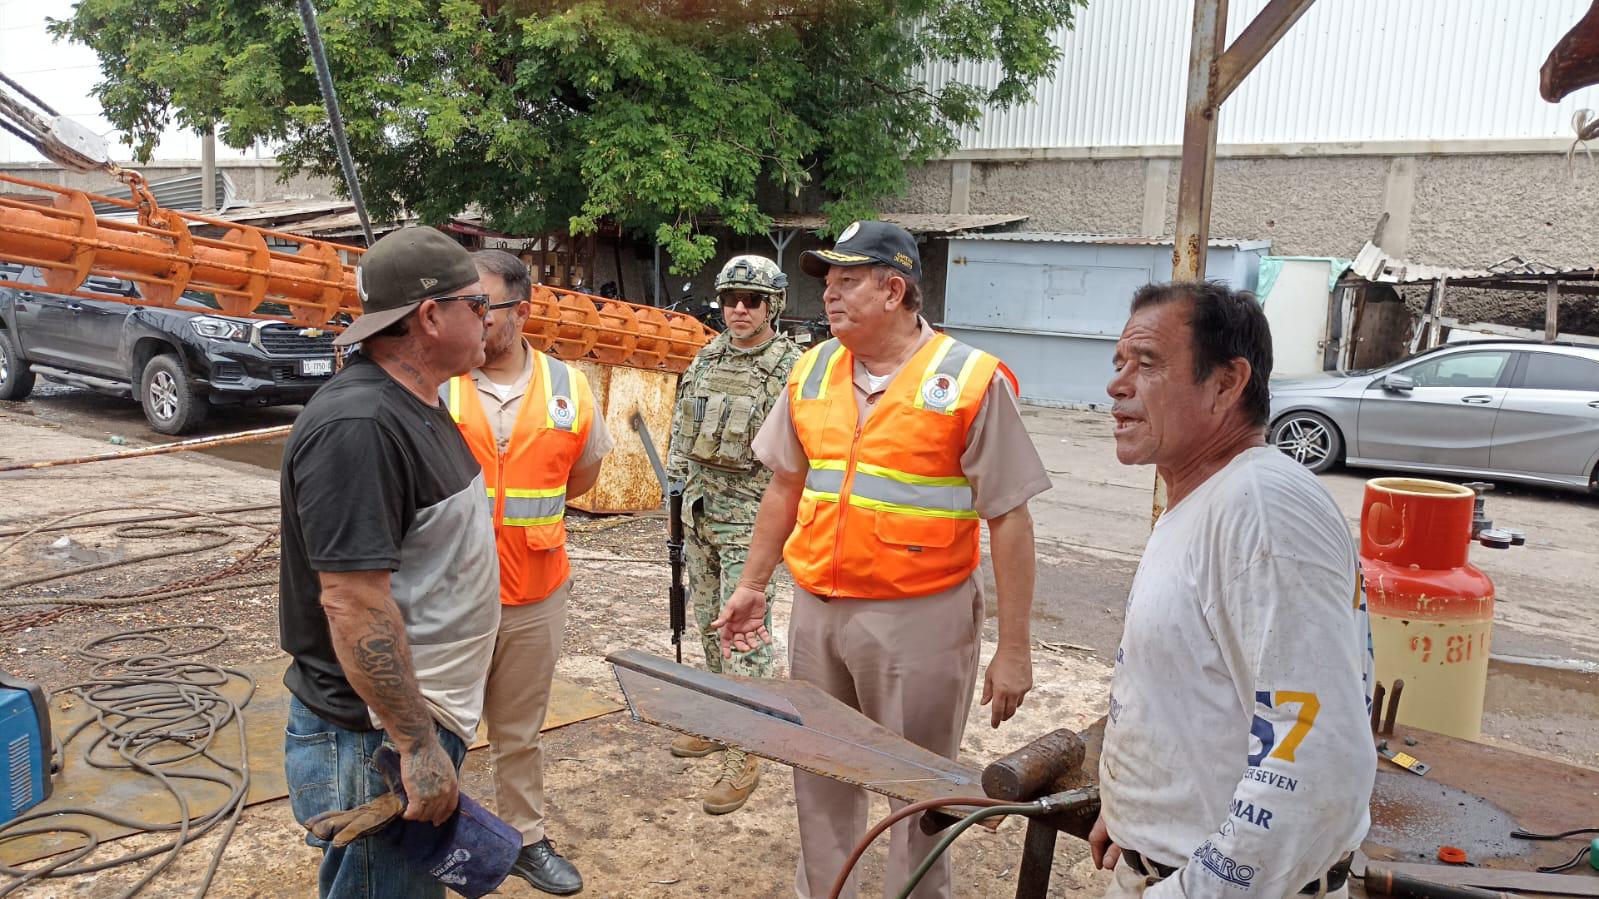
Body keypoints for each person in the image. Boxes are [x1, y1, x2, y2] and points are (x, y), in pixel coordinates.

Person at [713, 221, 1051, 899]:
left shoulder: (966, 379)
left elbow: (1009, 516)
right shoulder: (810, 373)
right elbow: (784, 484)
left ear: (894, 289)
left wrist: (1013, 647)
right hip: (817, 611)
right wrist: (754, 583)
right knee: (820, 774)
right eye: (827, 283)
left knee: (919, 789)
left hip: (919, 620)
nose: (829, 296)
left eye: (846, 281)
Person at [1088, 281, 1375, 898]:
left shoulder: (1262, 509)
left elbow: (1312, 756)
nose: (1117, 385)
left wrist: (1195, 889)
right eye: (1118, 364)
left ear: (1226, 382)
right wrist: (1137, 810)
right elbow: (1196, 689)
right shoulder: (1208, 500)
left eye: (1147, 363)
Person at [278, 226, 501, 899]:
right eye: (479, 304)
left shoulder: (417, 402)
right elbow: (353, 602)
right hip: (371, 738)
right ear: (431, 316)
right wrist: (415, 746)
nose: (489, 319)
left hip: (413, 719)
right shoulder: (363, 426)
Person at [438, 250, 612, 895]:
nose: (474, 320)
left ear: (523, 310)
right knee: (439, 729)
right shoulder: (436, 384)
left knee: (518, 730)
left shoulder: (570, 386)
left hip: (537, 589)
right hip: (450, 594)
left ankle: (524, 840)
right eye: (464, 305)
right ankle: (438, 840)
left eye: (486, 306)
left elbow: (583, 475)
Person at [664, 254, 801, 815]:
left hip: (751, 519)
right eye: (730, 300)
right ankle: (723, 720)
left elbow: (796, 459)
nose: (739, 310)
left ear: (774, 306)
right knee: (707, 625)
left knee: (745, 634)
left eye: (752, 300)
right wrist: (674, 495)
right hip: (699, 512)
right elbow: (681, 428)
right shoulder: (707, 356)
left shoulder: (792, 367)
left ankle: (749, 748)